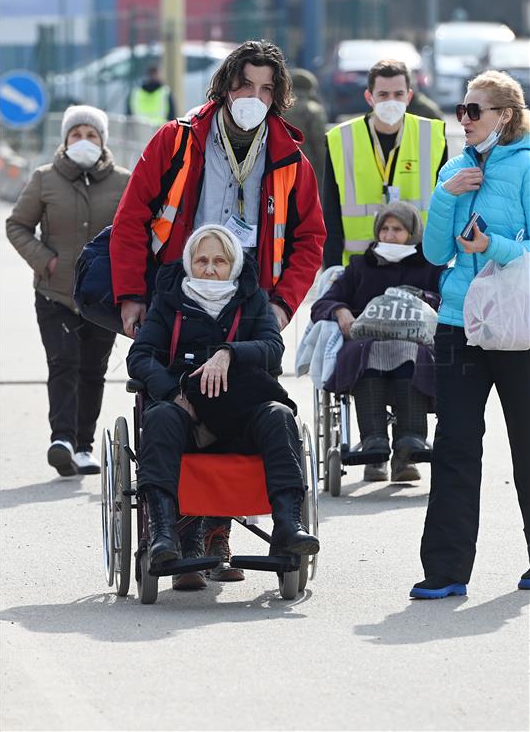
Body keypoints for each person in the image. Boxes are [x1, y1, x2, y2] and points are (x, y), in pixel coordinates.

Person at [110, 39, 326, 580]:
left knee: (244, 410)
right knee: (174, 405)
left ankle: (217, 534)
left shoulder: (289, 161)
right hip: (179, 281)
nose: (252, 96)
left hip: (250, 297)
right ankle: (177, 536)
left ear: (277, 97)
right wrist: (133, 293)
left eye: (265, 89)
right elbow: (134, 216)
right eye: (244, 85)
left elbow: (310, 239)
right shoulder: (177, 142)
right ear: (225, 87)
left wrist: (280, 307)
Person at [126, 225, 319, 589]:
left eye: (219, 260)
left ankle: (289, 526)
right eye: (201, 260)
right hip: (188, 416)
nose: (210, 268)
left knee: (279, 416)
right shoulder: (169, 300)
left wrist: (229, 353)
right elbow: (141, 356)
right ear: (188, 263)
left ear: (233, 264)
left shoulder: (253, 299)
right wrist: (173, 392)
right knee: (161, 416)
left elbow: (272, 348)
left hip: (239, 413)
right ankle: (165, 535)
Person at [410, 70, 530, 599]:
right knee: (455, 443)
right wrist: (443, 195)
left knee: (527, 443)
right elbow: (437, 254)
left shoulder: (528, 164)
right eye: (462, 110)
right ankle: (446, 571)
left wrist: (492, 246)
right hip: (461, 323)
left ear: (505, 115)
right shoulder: (454, 169)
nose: (464, 119)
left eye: (475, 111)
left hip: (519, 323)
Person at [6, 106, 130, 477]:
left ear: (103, 141)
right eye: (76, 135)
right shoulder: (45, 178)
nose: (83, 142)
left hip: (101, 297)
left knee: (92, 370)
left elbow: (135, 232)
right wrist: (47, 261)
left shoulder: (123, 182)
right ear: (64, 139)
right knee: (63, 363)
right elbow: (17, 226)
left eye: (91, 136)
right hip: (54, 293)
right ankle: (61, 439)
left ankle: (84, 445)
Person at [311, 202, 444, 481]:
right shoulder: (360, 265)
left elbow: (446, 301)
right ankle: (374, 441)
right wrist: (340, 310)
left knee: (412, 352)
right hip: (367, 339)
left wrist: (424, 299)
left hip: (412, 339)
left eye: (397, 229)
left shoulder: (429, 267)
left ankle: (409, 443)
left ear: (412, 233)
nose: (389, 235)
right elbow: (323, 303)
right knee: (362, 351)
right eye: (384, 228)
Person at [323, 58, 448, 267]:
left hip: (418, 263)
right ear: (369, 97)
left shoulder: (432, 135)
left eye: (398, 94)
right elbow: (330, 213)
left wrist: (439, 267)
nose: (391, 101)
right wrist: (332, 269)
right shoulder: (341, 138)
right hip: (360, 266)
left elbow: (443, 209)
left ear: (409, 96)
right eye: (383, 95)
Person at [283, 68, 327, 193]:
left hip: (280, 170)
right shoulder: (312, 110)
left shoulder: (278, 108)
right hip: (307, 170)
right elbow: (320, 146)